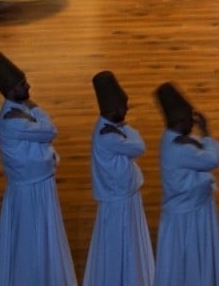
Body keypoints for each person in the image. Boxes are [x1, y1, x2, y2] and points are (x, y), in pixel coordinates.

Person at [0, 50, 77, 286]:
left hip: (37, 185)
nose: (28, 85)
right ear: (11, 90)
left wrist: (32, 109)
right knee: (31, 242)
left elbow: (44, 129)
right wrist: (35, 112)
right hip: (29, 191)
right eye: (22, 84)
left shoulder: (20, 110)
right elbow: (50, 130)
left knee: (40, 239)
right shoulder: (13, 120)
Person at [154, 82, 219, 286]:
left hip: (182, 212)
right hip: (191, 215)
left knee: (182, 262)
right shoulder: (181, 148)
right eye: (189, 120)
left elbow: (196, 150)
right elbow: (212, 160)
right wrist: (206, 132)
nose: (193, 124)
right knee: (195, 257)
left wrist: (197, 141)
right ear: (181, 120)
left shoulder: (169, 140)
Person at [83, 71, 154, 286]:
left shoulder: (111, 127)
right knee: (121, 244)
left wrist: (122, 128)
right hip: (119, 199)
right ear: (113, 110)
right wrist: (125, 130)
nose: (127, 110)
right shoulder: (109, 135)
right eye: (123, 107)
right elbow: (140, 146)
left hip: (123, 196)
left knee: (125, 242)